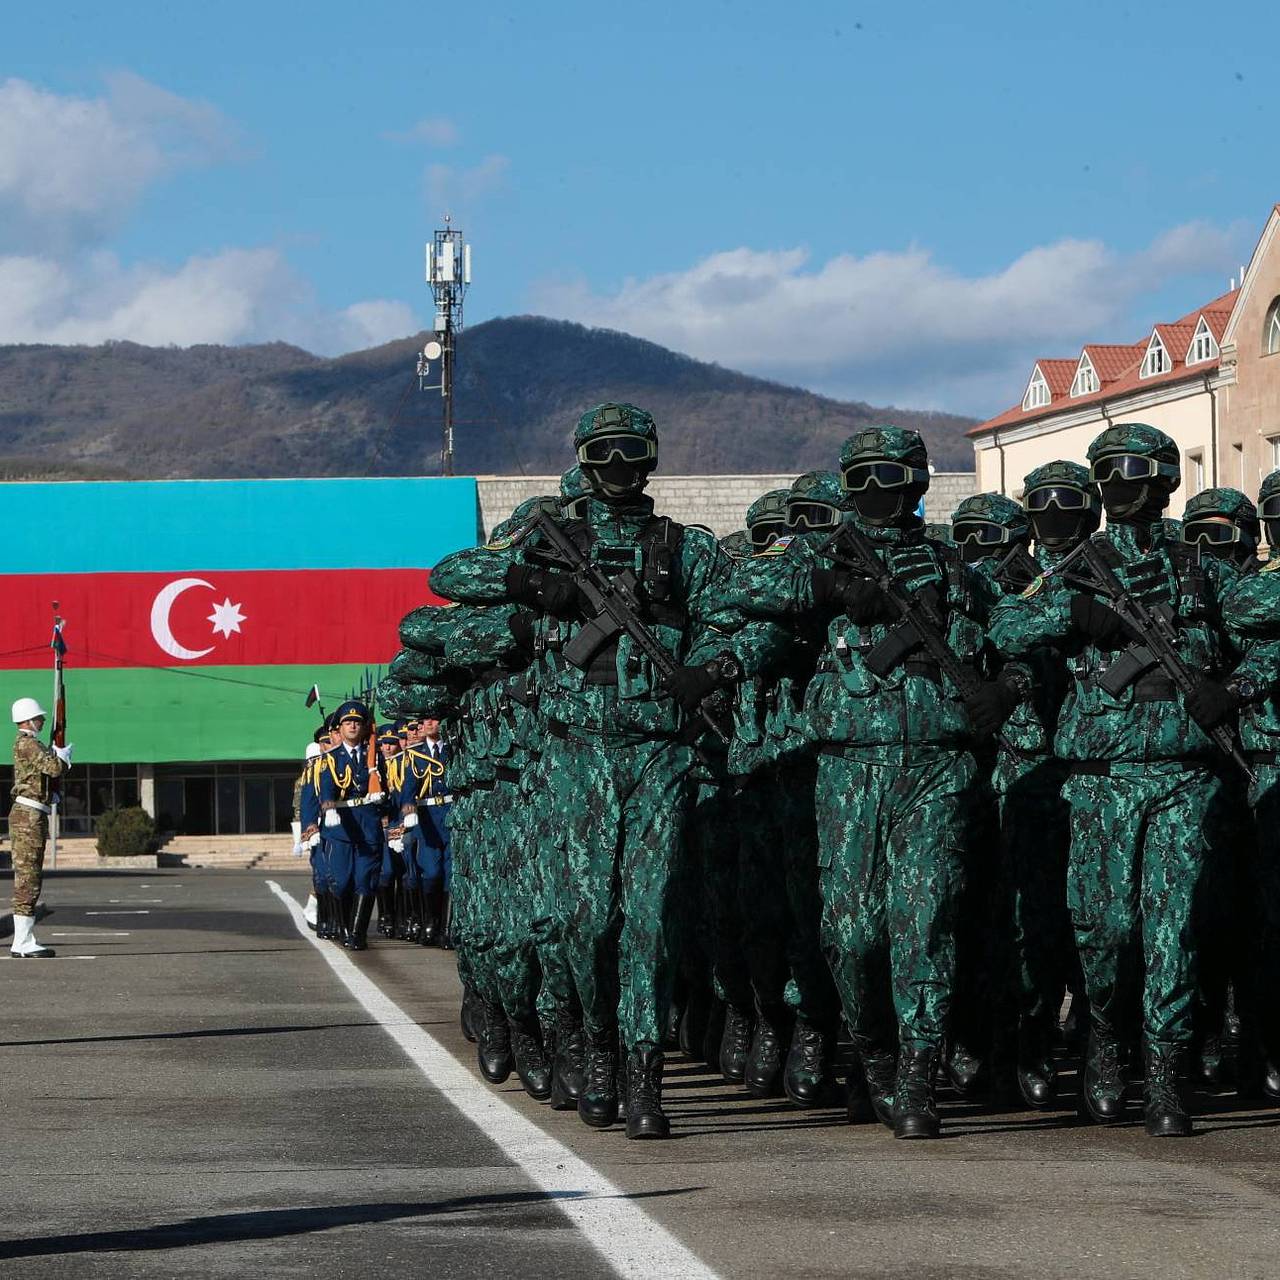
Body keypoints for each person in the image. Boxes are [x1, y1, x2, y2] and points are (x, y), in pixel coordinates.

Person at [429, 403, 734, 1139]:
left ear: (652, 458)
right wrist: (538, 586)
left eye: (633, 453)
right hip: (574, 750)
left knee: (651, 920)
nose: (620, 468)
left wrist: (713, 666)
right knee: (584, 918)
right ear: (585, 460)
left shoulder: (684, 547)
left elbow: (732, 617)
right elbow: (450, 575)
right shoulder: (548, 535)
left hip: (658, 748)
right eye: (606, 454)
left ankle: (639, 1071)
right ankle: (592, 1041)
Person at [722, 428, 1017, 1139]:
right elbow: (739, 584)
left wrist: (1007, 687)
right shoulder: (819, 554)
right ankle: (874, 1053)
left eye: (895, 477)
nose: (882, 492)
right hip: (850, 766)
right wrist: (831, 587)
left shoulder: (951, 566)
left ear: (918, 484)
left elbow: (1016, 632)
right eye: (867, 478)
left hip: (939, 767)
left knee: (927, 923)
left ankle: (917, 1076)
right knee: (853, 937)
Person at [990, 423, 1268, 1136]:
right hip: (1100, 775)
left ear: (1165, 480)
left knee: (1173, 931)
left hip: (1184, 773)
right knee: (1108, 930)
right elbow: (1006, 625)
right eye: (1106, 471)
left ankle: (1168, 1076)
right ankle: (1105, 1042)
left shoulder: (1202, 567)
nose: (1120, 484)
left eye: (1133, 470)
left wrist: (1232, 690)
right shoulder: (1079, 565)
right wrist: (1074, 610)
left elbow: (1268, 640)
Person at [318, 700, 386, 952]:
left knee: (365, 880)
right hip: (341, 826)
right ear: (340, 727)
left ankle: (357, 934)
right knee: (341, 880)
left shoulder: (375, 757)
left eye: (357, 722)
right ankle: (345, 926)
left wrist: (384, 801)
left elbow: (388, 786)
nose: (353, 726)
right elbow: (326, 785)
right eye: (348, 722)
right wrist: (329, 807)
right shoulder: (331, 758)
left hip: (368, 824)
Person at [9, 697, 72, 959]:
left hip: (33, 812)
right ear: (28, 720)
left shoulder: (30, 744)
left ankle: (24, 939)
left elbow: (43, 775)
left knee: (31, 876)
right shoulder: (28, 743)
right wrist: (62, 757)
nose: (43, 720)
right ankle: (22, 941)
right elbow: (53, 768)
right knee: (28, 878)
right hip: (28, 817)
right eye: (39, 717)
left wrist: (50, 793)